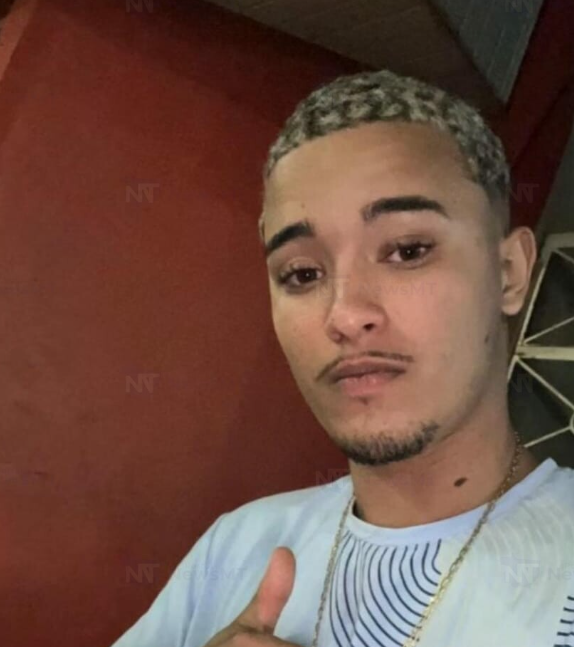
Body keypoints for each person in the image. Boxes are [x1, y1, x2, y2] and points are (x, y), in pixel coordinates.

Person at [110, 69, 574, 647]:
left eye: (408, 250)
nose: (346, 314)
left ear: (509, 273)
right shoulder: (238, 546)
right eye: (302, 274)